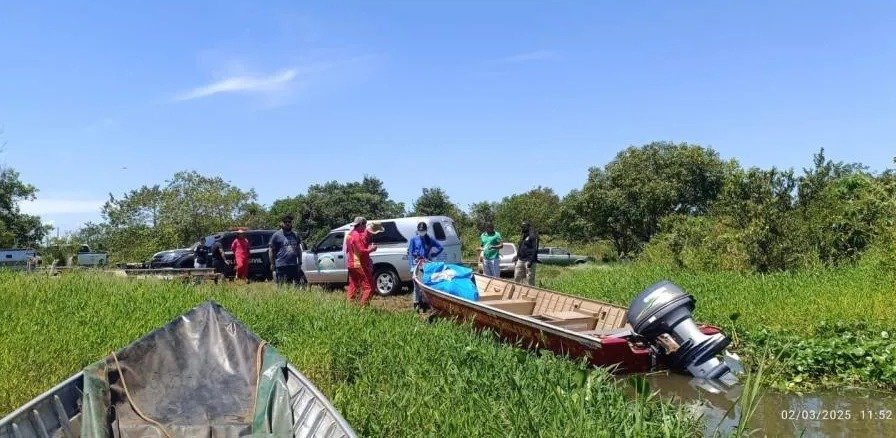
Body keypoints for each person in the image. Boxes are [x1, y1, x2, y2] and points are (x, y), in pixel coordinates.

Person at [407, 221, 444, 313]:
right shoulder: (414, 239)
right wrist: (411, 265)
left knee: (425, 283)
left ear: (426, 230)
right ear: (418, 230)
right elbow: (410, 253)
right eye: (420, 230)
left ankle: (424, 303)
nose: (421, 232)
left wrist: (435, 253)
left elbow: (440, 247)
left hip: (426, 263)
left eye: (423, 230)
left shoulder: (430, 239)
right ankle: (416, 303)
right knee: (416, 284)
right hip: (416, 263)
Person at [345, 216, 377, 306]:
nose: (365, 227)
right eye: (365, 225)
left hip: (351, 263)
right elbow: (361, 250)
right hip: (358, 263)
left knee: (353, 285)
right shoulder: (357, 235)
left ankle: (350, 306)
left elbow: (347, 250)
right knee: (369, 287)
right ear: (362, 224)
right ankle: (363, 309)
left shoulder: (349, 234)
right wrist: (372, 249)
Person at [269, 214, 304, 287]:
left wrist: (300, 262)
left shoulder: (295, 235)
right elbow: (271, 250)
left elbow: (298, 249)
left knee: (296, 286)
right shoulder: (276, 235)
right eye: (285, 222)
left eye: (289, 222)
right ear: (282, 223)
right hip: (281, 265)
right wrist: (272, 263)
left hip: (293, 265)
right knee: (282, 286)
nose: (287, 223)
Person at [513, 221, 538, 285]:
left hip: (529, 260)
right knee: (516, 277)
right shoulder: (523, 235)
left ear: (528, 227)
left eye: (524, 227)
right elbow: (520, 247)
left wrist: (530, 261)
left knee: (530, 279)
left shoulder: (532, 235)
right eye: (522, 227)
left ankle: (531, 293)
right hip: (521, 259)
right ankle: (516, 292)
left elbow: (535, 249)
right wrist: (517, 256)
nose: (522, 228)